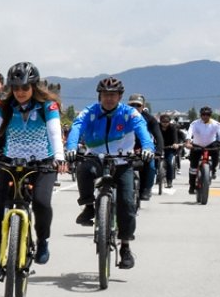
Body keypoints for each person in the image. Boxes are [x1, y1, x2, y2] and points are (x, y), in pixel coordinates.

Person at [65, 77, 155, 270]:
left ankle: (125, 247)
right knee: (84, 169)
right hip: (96, 158)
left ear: (120, 96)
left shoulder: (130, 113)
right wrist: (71, 146)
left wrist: (147, 147)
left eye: (113, 95)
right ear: (100, 96)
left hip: (123, 161)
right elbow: (76, 127)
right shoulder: (90, 112)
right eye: (105, 95)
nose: (109, 98)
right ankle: (89, 206)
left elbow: (143, 131)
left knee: (127, 203)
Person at [0, 62, 66, 271]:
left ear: (34, 87)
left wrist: (59, 156)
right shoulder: (3, 106)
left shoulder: (47, 106)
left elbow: (54, 131)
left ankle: (42, 242)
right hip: (10, 161)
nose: (20, 92)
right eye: (16, 88)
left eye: (24, 87)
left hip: (42, 162)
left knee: (41, 202)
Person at [127, 94, 165, 201]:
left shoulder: (150, 119)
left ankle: (146, 189)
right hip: (126, 147)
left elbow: (158, 136)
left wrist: (158, 151)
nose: (135, 108)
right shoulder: (122, 116)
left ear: (143, 106)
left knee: (151, 166)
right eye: (132, 105)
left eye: (138, 105)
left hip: (144, 147)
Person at [185, 106, 220, 191]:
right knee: (193, 166)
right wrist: (188, 142)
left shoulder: (216, 124)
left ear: (210, 115)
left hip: (211, 145)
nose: (205, 116)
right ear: (200, 115)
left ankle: (213, 169)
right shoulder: (195, 123)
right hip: (197, 145)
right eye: (203, 114)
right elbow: (189, 133)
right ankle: (192, 185)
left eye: (207, 114)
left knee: (216, 152)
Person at [157, 113, 182, 188]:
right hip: (159, 146)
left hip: (170, 147)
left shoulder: (172, 127)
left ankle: (169, 181)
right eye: (163, 122)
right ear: (160, 121)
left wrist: (175, 144)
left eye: (166, 122)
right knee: (154, 161)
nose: (165, 124)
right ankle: (158, 177)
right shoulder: (157, 127)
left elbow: (175, 137)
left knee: (169, 163)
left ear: (169, 122)